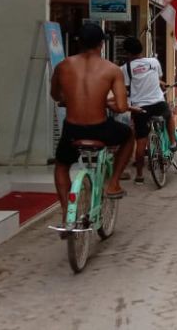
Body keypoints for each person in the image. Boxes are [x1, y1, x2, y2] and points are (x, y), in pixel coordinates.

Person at [50, 24, 134, 218]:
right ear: (101, 44)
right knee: (129, 135)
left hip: (72, 130)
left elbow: (55, 95)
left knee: (62, 166)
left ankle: (65, 212)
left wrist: (68, 99)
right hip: (100, 129)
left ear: (78, 42)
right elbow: (122, 107)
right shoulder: (112, 70)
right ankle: (113, 183)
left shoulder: (63, 65)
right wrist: (107, 103)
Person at [121, 37, 177, 184]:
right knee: (169, 116)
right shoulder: (153, 62)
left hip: (140, 108)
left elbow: (127, 88)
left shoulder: (125, 69)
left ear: (127, 53)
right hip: (158, 103)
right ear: (141, 49)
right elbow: (157, 79)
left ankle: (139, 175)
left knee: (141, 142)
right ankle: (172, 143)